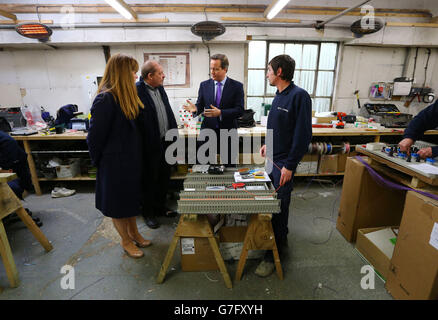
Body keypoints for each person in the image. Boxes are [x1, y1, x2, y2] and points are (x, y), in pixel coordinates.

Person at [87, 53, 151, 259]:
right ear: (122, 73)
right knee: (117, 206)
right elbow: (95, 138)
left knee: (130, 202)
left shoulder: (126, 97)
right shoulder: (105, 99)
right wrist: (100, 163)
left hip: (130, 162)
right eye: (132, 71)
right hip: (113, 164)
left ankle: (135, 233)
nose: (135, 75)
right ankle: (125, 240)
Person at [258, 54, 312, 277]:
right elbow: (277, 127)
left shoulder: (299, 96)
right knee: (274, 206)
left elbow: (302, 135)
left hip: (283, 166)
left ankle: (274, 255)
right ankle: (281, 239)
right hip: (273, 160)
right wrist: (266, 145)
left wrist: (290, 166)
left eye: (269, 70)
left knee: (278, 208)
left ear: (279, 72)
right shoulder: (279, 95)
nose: (267, 74)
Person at [136, 60, 178, 230]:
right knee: (149, 180)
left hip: (165, 142)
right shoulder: (137, 91)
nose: (164, 75)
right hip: (148, 145)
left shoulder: (160, 88)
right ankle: (148, 213)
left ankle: (160, 207)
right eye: (160, 73)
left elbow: (166, 110)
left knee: (163, 178)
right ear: (150, 76)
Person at [184, 53, 244, 165]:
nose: (212, 72)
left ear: (225, 69)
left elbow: (240, 110)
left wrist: (221, 113)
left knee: (229, 166)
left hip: (228, 133)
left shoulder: (237, 86)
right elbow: (200, 106)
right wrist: (195, 109)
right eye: (211, 68)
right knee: (203, 166)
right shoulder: (204, 85)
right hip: (207, 132)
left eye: (216, 69)